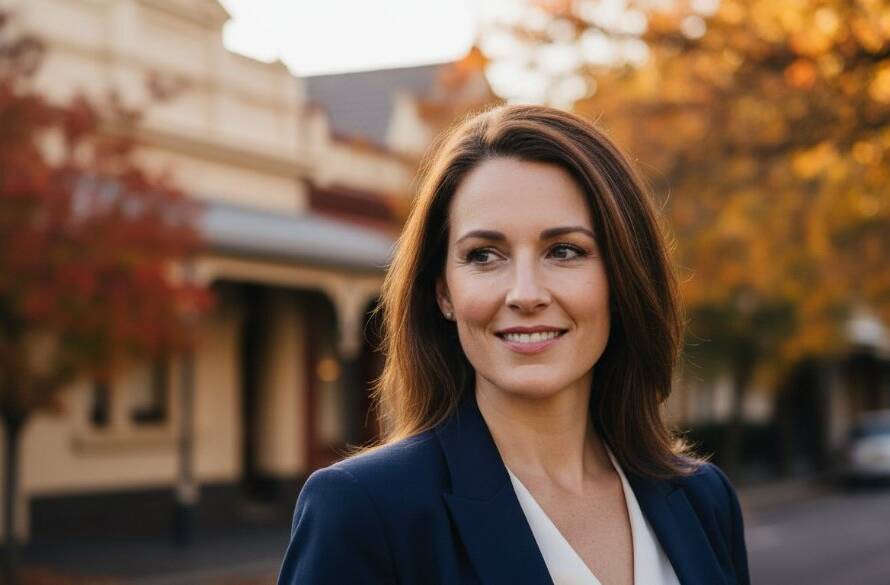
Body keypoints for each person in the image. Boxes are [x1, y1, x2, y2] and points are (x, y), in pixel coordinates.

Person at [276, 105, 750, 585]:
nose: (525, 294)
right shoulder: (365, 510)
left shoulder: (703, 500)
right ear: (443, 291)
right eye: (484, 256)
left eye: (564, 251)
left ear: (621, 276)